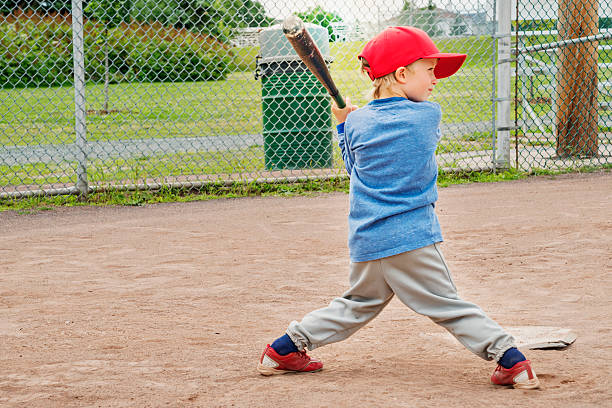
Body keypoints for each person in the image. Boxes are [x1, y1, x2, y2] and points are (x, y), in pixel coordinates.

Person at [257, 26, 540, 389]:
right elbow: (397, 135)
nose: (435, 81)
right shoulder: (428, 116)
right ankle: (510, 358)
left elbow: (353, 168)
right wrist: (350, 123)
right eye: (430, 71)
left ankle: (283, 348)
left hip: (367, 240)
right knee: (446, 304)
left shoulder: (358, 122)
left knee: (356, 304)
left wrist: (343, 126)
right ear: (402, 74)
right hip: (410, 239)